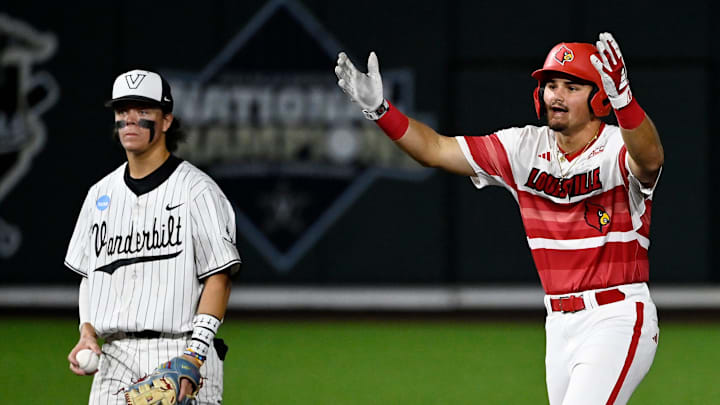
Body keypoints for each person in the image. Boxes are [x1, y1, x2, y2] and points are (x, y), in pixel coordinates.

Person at [335, 32, 663, 405]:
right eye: (550, 85)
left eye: (571, 86)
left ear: (600, 98)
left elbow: (650, 159)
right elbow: (435, 149)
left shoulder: (618, 146)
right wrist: (380, 110)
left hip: (616, 317)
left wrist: (626, 101)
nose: (556, 95)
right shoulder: (522, 147)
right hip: (558, 324)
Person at [65, 68, 241, 404]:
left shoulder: (197, 190)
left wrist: (195, 355)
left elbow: (218, 279)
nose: (130, 120)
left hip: (180, 350)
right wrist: (87, 333)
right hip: (114, 357)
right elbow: (90, 277)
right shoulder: (99, 194)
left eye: (143, 111)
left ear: (166, 121)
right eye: (122, 111)